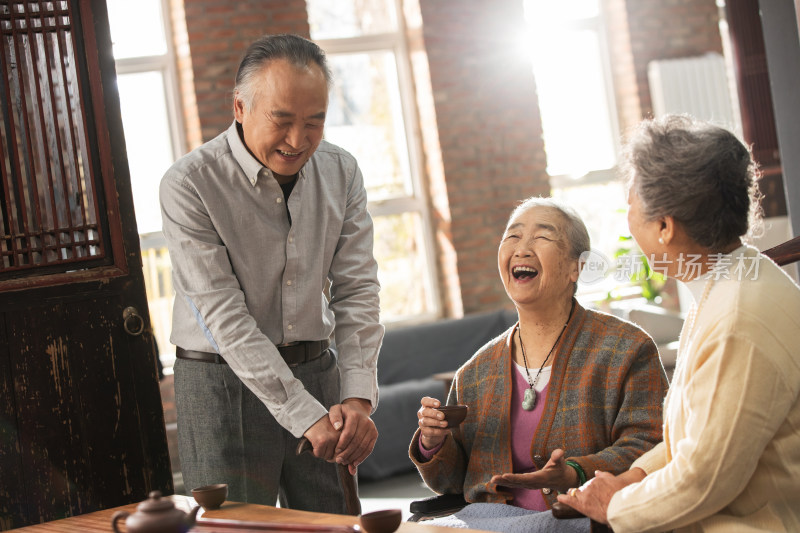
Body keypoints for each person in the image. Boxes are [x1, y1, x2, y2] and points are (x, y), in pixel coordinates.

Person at [159, 34, 383, 513]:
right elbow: (223, 318)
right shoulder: (190, 184)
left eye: (315, 122)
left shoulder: (341, 172)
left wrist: (358, 397)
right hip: (221, 389)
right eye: (281, 120)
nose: (298, 140)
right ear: (239, 107)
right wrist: (304, 415)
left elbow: (358, 288)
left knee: (337, 525)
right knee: (237, 529)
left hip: (320, 376)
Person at [559, 114, 800, 532]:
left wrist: (613, 506)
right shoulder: (729, 283)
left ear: (665, 226)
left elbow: (703, 478)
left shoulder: (738, 318)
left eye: (631, 203)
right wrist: (636, 475)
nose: (628, 216)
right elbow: (695, 438)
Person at [410, 197, 669, 530]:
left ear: (578, 266)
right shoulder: (474, 373)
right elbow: (451, 482)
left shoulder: (628, 349)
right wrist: (433, 444)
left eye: (542, 237)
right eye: (513, 237)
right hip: (488, 523)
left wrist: (577, 471)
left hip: (581, 518)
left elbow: (652, 447)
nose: (522, 249)